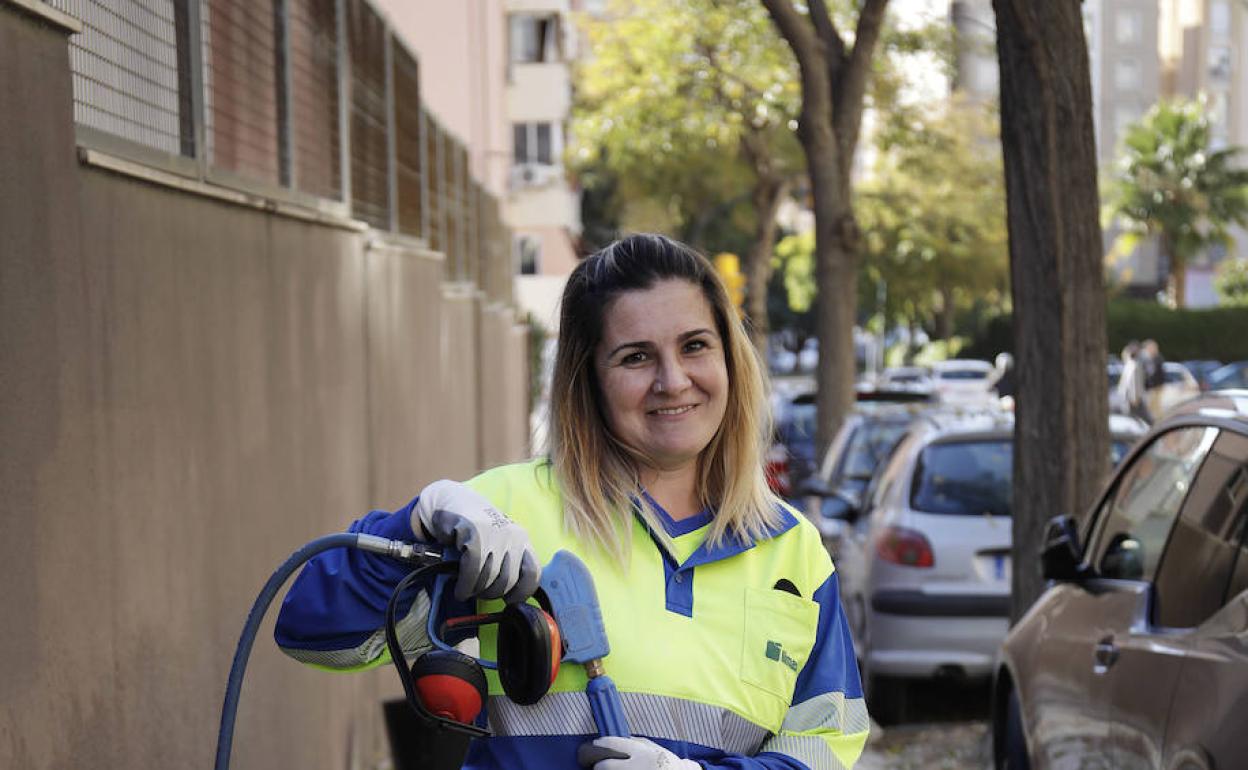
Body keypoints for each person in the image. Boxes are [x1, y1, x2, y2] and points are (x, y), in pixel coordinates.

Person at [273, 234, 869, 769]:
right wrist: (418, 522)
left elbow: (824, 749)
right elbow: (317, 635)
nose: (673, 380)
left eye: (694, 346)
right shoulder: (506, 512)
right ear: (588, 381)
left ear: (729, 360)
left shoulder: (791, 551)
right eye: (635, 357)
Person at [1118, 341, 1150, 423]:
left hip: (1132, 399)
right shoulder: (1133, 365)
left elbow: (1132, 383)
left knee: (1138, 420)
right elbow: (1133, 383)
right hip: (1134, 399)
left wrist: (1134, 397)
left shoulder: (1131, 365)